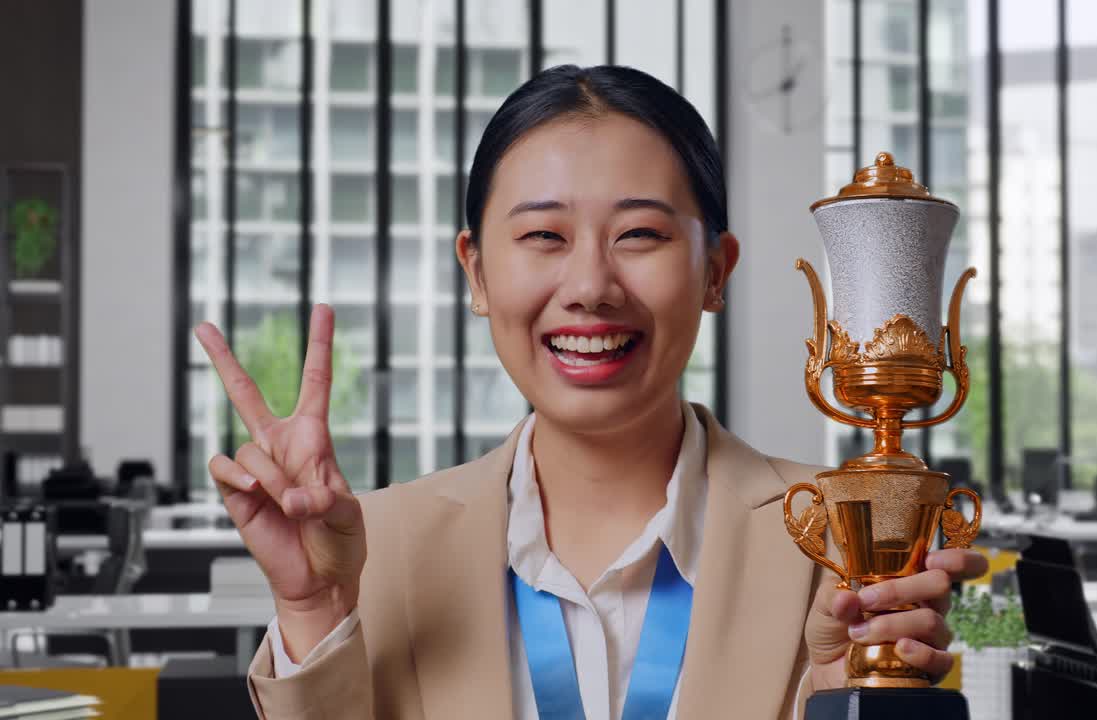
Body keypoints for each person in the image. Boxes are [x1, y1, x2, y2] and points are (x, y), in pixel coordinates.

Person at [195, 64, 987, 720]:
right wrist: (312, 610)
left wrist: (833, 698)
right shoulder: (378, 547)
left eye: (639, 234)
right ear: (475, 271)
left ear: (715, 271)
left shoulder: (842, 546)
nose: (589, 287)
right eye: (543, 236)